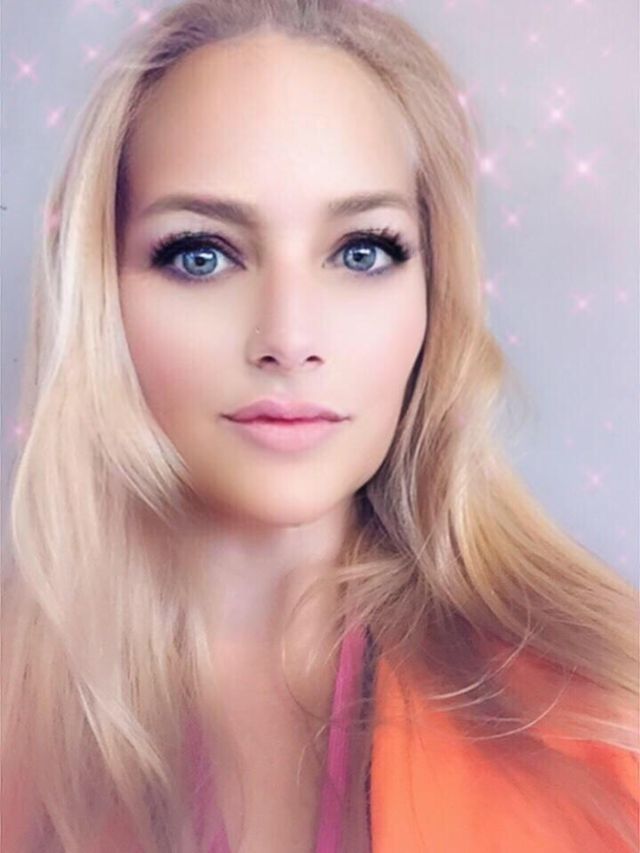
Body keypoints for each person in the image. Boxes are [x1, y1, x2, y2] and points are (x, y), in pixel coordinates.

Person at [1, 1, 637, 851]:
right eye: (201, 253)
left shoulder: (602, 733)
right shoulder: (18, 710)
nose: (289, 338)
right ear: (102, 293)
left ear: (434, 295)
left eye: (362, 251)